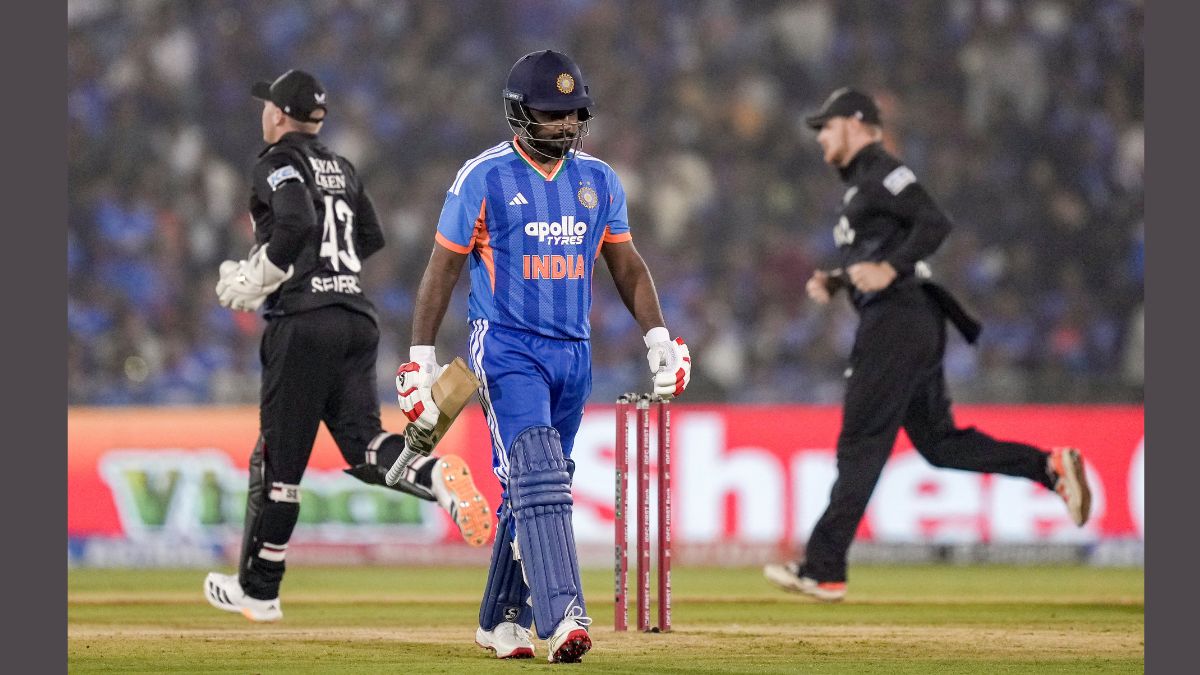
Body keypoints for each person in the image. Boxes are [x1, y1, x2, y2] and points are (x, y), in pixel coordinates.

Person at [393, 50, 691, 662]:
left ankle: (500, 621)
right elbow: (443, 267)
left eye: (574, 113)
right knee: (538, 473)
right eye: (552, 114)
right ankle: (563, 618)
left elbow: (627, 266)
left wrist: (660, 339)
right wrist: (420, 359)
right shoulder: (483, 177)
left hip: (573, 353)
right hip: (506, 346)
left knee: (537, 486)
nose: (566, 124)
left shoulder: (599, 181)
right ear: (519, 114)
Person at [763, 88, 1092, 602]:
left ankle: (824, 567)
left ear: (856, 123)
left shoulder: (882, 171)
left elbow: (934, 222)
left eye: (827, 126)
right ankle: (1047, 468)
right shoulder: (861, 188)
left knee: (862, 441)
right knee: (939, 445)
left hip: (896, 320)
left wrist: (888, 268)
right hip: (910, 320)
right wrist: (839, 280)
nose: (821, 137)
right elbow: (879, 253)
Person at [203, 69, 491, 622]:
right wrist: (321, 267)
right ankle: (434, 476)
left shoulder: (276, 161)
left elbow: (294, 220)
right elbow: (370, 237)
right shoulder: (343, 166)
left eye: (267, 105)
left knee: (279, 466)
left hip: (303, 323)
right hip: (356, 318)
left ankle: (260, 591)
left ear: (278, 114)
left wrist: (263, 273)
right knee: (364, 446)